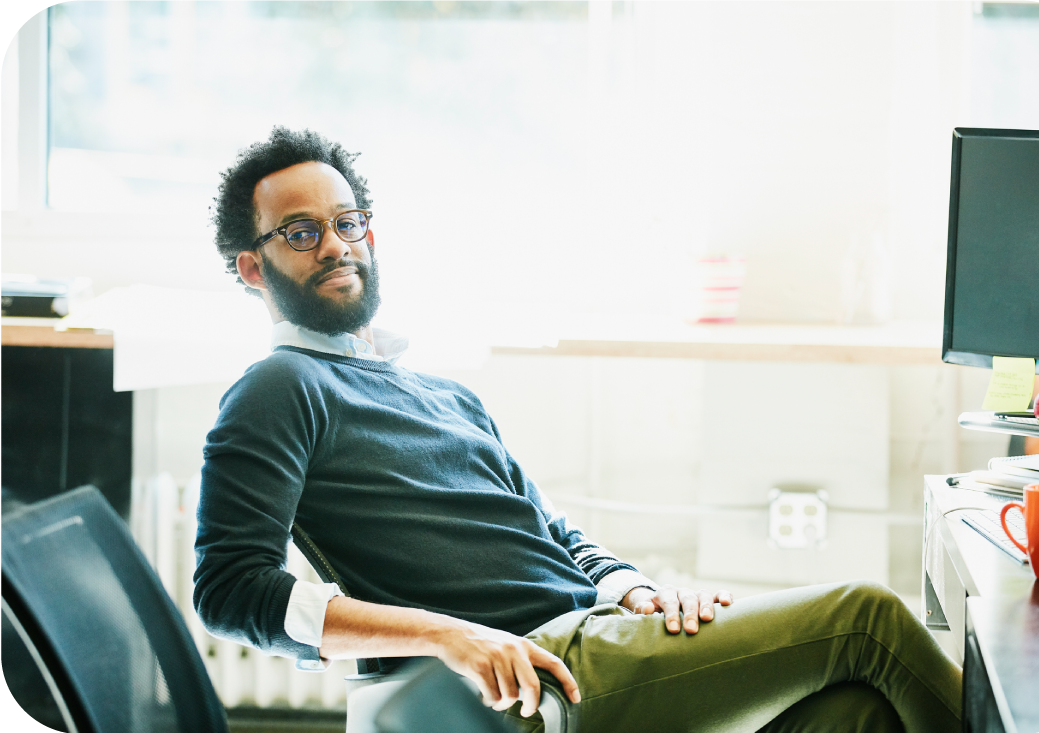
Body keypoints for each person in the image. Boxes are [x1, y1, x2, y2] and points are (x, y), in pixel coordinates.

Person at [194, 128, 962, 732]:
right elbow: (231, 591)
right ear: (253, 268)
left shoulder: (441, 392)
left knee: (857, 716)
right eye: (299, 232)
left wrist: (635, 589)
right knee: (869, 619)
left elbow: (551, 529)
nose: (334, 244)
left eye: (346, 222)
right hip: (540, 674)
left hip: (599, 630)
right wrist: (449, 637)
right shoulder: (280, 388)